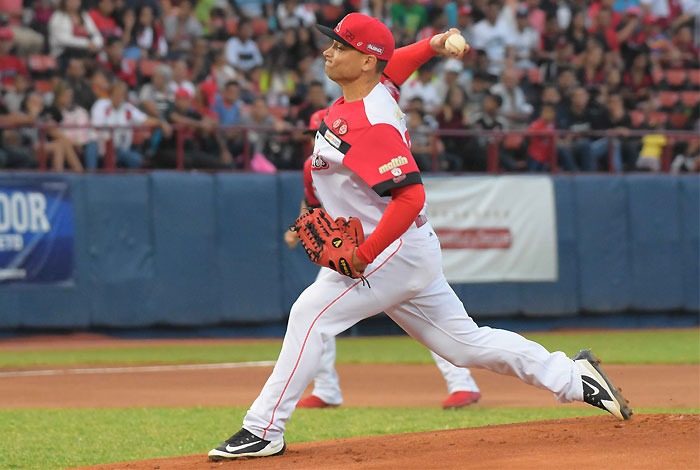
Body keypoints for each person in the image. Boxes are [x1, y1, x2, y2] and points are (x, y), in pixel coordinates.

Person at [208, 13, 631, 461]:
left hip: (390, 249)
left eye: (340, 45)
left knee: (310, 314)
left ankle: (263, 428)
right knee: (463, 344)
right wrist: (436, 42)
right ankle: (572, 377)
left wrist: (365, 255)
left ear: (367, 61)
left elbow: (409, 197)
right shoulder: (377, 88)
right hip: (405, 249)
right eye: (331, 43)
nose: (328, 51)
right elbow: (398, 62)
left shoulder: (373, 122)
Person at [291, 108, 481, 410]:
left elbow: (397, 195)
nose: (312, 140)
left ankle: (461, 383)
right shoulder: (310, 167)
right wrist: (301, 224)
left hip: (388, 245)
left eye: (317, 133)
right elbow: (313, 207)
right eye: (310, 134)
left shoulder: (362, 151)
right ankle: (326, 389)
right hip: (349, 251)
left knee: (432, 317)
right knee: (311, 315)